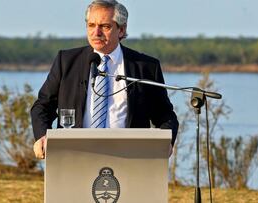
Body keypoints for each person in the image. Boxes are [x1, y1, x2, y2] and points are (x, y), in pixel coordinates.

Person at [31, 0, 178, 159]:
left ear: (121, 30)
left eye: (105, 26)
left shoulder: (146, 67)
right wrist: (42, 136)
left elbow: (164, 115)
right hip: (75, 155)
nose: (96, 32)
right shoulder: (66, 61)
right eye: (91, 25)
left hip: (129, 158)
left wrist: (166, 141)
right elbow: (42, 106)